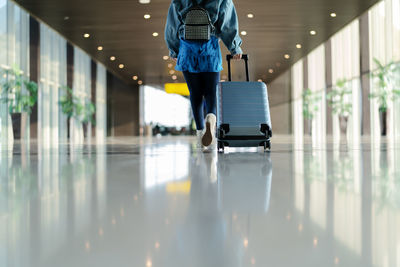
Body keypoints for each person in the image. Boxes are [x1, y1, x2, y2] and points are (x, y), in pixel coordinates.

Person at [165, 0, 243, 150]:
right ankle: (211, 117)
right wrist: (234, 48)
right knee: (211, 92)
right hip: (210, 47)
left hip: (187, 48)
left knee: (195, 93)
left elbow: (172, 24)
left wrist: (174, 49)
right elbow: (227, 22)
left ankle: (201, 132)